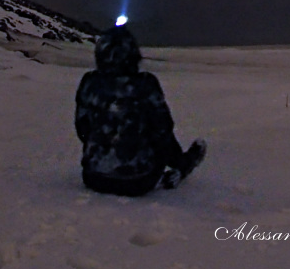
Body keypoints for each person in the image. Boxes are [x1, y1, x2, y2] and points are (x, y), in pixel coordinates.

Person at [75, 23, 206, 194]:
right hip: (138, 181)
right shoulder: (145, 84)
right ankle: (180, 165)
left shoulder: (90, 83)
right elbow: (163, 130)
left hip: (93, 177)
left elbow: (82, 128)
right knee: (158, 135)